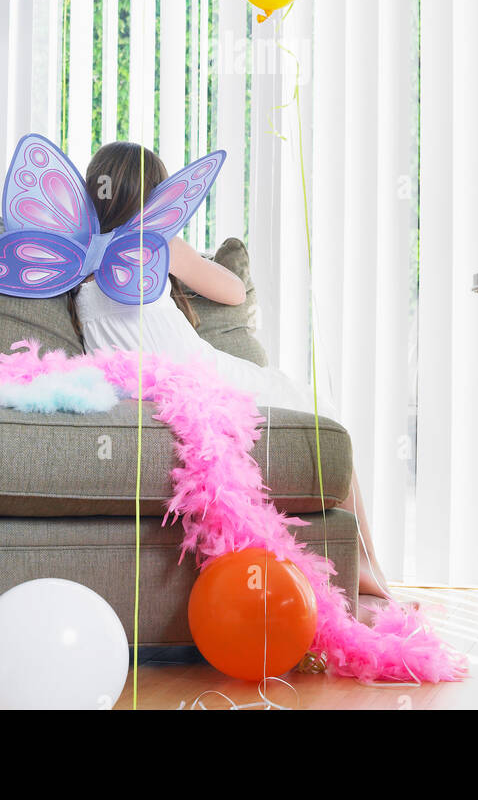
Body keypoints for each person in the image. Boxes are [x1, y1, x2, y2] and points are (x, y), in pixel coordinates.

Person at [68, 141, 390, 602]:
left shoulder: (76, 263)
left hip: (147, 394)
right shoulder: (159, 244)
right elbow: (235, 292)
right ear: (161, 198)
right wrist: (180, 263)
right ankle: (365, 563)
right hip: (203, 381)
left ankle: (365, 564)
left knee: (316, 415)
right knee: (322, 418)